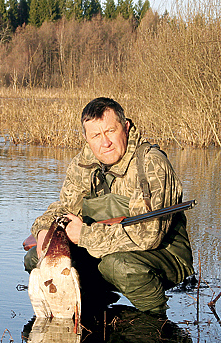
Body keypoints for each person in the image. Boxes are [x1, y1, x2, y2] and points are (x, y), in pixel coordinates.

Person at [24, 97, 194, 315]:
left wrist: (85, 236)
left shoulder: (150, 163)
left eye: (110, 131)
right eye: (96, 135)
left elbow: (149, 236)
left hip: (166, 255)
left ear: (126, 127)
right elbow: (65, 207)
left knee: (117, 266)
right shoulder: (84, 162)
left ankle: (156, 323)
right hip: (107, 250)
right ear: (86, 138)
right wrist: (44, 230)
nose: (105, 143)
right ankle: (94, 306)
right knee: (37, 258)